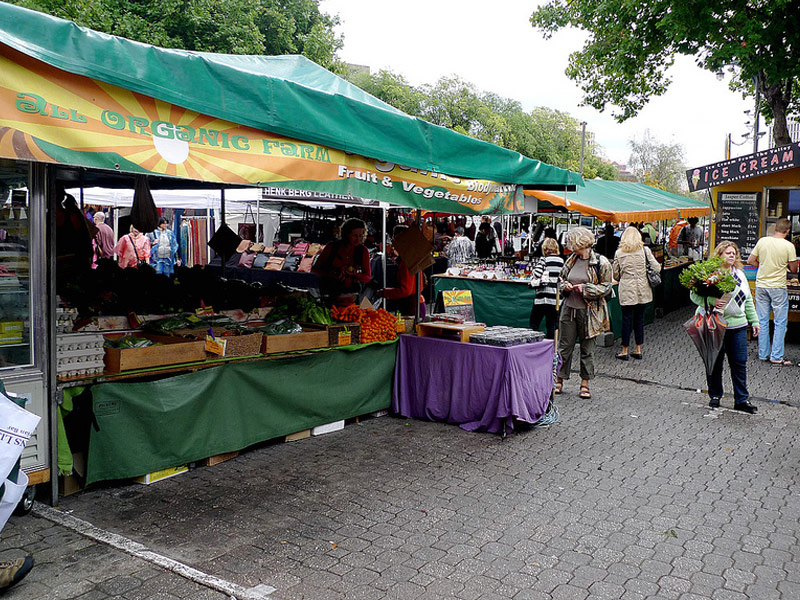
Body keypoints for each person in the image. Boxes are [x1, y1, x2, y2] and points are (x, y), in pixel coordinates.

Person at [692, 241, 760, 412]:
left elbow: (748, 300)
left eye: (733, 253)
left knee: (739, 363)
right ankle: (715, 395)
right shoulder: (709, 274)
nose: (731, 255)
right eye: (727, 252)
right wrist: (710, 300)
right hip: (714, 323)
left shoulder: (740, 275)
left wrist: (755, 321)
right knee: (714, 362)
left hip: (738, 325)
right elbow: (693, 296)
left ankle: (741, 400)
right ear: (719, 255)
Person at [555, 227, 613, 399]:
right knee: (564, 347)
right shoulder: (571, 260)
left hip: (590, 312)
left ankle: (585, 383)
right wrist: (564, 286)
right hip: (569, 309)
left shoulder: (601, 262)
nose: (570, 246)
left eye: (572, 243)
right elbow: (561, 279)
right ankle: (559, 380)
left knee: (587, 349)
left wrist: (586, 289)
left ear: (580, 243)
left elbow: (607, 286)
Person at [747, 217, 798, 365]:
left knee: (762, 320)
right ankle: (776, 356)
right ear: (787, 231)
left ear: (775, 228)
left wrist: (762, 266)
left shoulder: (762, 241)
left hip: (761, 285)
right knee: (780, 322)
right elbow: (794, 269)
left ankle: (763, 354)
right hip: (778, 287)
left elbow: (750, 260)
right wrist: (785, 266)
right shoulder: (789, 246)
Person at [612, 226, 661, 360]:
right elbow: (657, 267)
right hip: (642, 289)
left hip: (627, 290)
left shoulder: (619, 253)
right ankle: (638, 349)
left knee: (626, 319)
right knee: (639, 319)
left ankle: (624, 350)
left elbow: (615, 275)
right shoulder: (645, 250)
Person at [312, 218, 371, 303]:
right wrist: (332, 273)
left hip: (352, 296)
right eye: (355, 235)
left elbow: (367, 277)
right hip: (330, 293)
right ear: (346, 234)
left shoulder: (363, 251)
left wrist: (356, 275)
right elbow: (315, 269)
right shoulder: (331, 247)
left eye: (361, 235)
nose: (358, 239)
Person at [377, 225, 425, 317]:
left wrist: (384, 292)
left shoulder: (407, 261)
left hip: (411, 306)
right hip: (416, 303)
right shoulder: (412, 257)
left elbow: (405, 290)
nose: (393, 242)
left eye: (394, 238)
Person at [529, 238, 563, 339]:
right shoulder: (562, 261)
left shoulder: (544, 260)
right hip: (555, 299)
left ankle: (532, 346)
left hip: (542, 298)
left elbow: (536, 274)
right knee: (552, 326)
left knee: (534, 325)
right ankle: (551, 348)